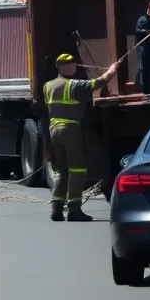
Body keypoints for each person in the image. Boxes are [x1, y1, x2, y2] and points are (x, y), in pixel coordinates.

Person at [42, 53, 119, 222]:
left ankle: (56, 208)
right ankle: (74, 209)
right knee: (77, 169)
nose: (75, 67)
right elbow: (97, 83)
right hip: (70, 128)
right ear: (62, 67)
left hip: (54, 129)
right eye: (71, 64)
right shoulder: (73, 86)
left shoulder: (48, 86)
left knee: (61, 170)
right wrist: (112, 71)